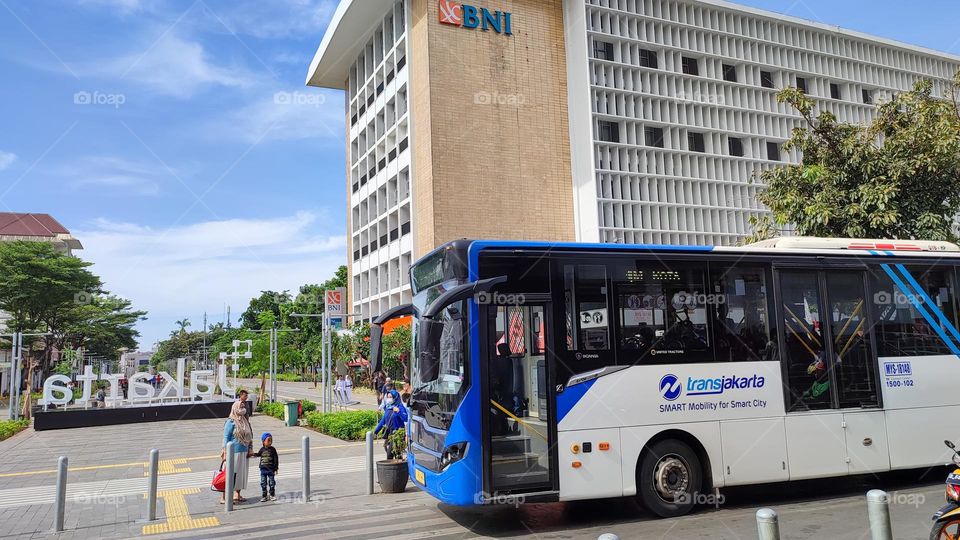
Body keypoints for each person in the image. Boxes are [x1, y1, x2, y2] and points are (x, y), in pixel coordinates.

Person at [221, 390, 255, 504]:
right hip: (232, 452)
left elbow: (250, 435)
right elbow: (226, 437)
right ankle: (224, 497)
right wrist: (224, 452)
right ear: (235, 408)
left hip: (243, 451)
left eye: (243, 407)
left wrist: (250, 448)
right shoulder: (230, 422)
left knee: (240, 474)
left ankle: (237, 494)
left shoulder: (245, 422)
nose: (243, 410)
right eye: (240, 408)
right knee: (228, 474)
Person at [374, 389, 408, 459]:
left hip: (397, 434)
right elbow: (383, 421)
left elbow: (405, 418)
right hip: (389, 434)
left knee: (390, 454)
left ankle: (392, 468)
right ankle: (399, 468)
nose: (389, 399)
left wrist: (398, 411)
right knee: (396, 453)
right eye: (388, 397)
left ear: (395, 397)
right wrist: (375, 432)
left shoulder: (400, 407)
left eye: (391, 397)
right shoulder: (388, 408)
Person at [257, 433, 279, 502]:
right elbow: (258, 454)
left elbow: (276, 459)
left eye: (271, 440)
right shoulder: (262, 449)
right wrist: (251, 454)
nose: (270, 442)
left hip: (271, 470)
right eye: (268, 440)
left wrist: (276, 468)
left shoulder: (273, 449)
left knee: (272, 483)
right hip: (263, 470)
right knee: (263, 483)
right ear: (263, 442)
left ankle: (272, 494)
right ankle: (264, 496)